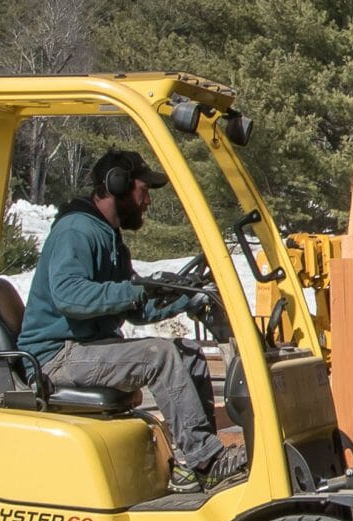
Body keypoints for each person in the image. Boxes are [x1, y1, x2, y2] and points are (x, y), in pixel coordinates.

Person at [18, 149, 246, 492]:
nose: (148, 201)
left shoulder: (110, 239)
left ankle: (200, 461)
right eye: (144, 190)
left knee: (186, 353)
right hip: (56, 356)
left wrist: (183, 296)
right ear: (117, 184)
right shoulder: (76, 231)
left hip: (86, 349)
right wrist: (135, 290)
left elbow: (135, 310)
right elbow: (70, 294)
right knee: (160, 355)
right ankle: (206, 459)